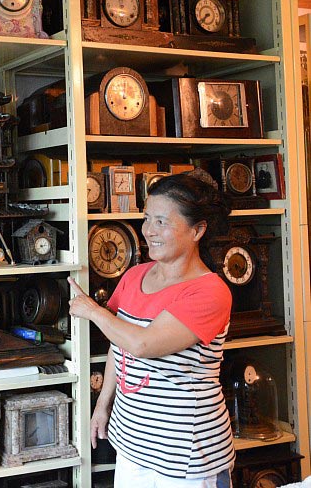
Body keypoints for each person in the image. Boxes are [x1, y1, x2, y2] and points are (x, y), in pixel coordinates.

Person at [68, 172, 233, 487]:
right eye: (147, 219)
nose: (148, 231)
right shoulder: (135, 276)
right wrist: (103, 404)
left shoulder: (210, 292)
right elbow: (120, 344)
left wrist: (93, 311)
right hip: (132, 444)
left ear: (198, 230)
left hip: (188, 456)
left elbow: (143, 344)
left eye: (162, 222)